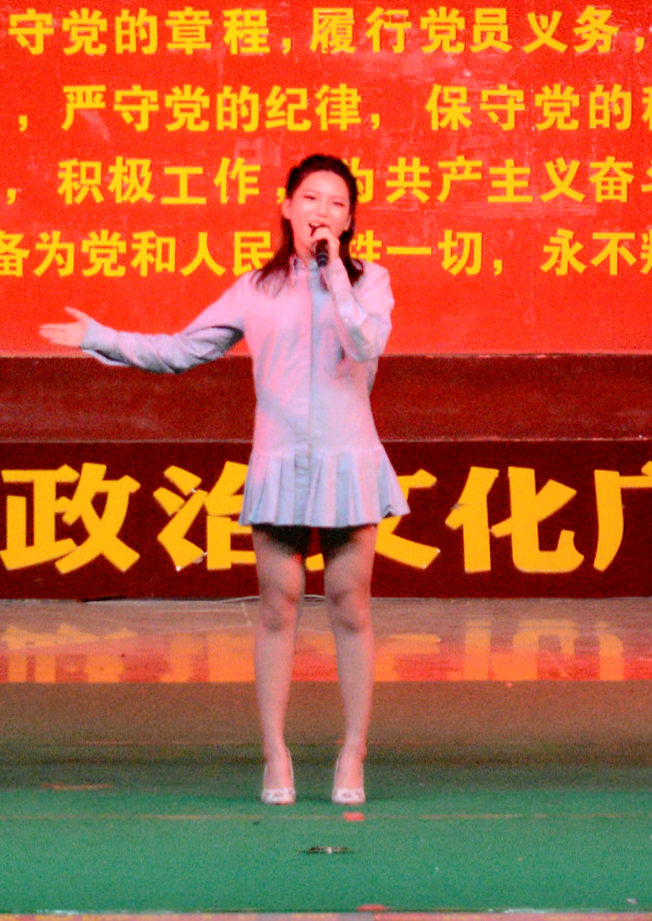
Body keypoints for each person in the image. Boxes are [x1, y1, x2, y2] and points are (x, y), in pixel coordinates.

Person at [40, 155, 395, 807]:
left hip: (348, 464)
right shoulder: (254, 289)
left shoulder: (370, 281)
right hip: (280, 463)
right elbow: (181, 350)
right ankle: (275, 753)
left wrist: (334, 277)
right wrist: (102, 337)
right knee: (278, 605)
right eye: (310, 198)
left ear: (349, 221)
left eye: (337, 204)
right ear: (285, 206)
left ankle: (353, 751)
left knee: (350, 604)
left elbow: (365, 344)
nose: (322, 211)